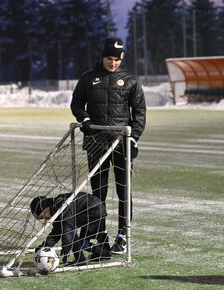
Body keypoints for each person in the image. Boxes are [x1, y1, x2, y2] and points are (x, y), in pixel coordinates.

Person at [71, 37, 146, 254]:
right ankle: (98, 233)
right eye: (109, 58)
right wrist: (84, 119)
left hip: (122, 145)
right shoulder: (88, 78)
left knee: (124, 191)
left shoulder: (130, 81)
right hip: (96, 143)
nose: (112, 63)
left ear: (121, 60)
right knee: (98, 193)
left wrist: (134, 138)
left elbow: (139, 112)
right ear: (103, 57)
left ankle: (123, 235)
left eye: (116, 59)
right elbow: (76, 104)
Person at [30, 192, 111, 266]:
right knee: (83, 243)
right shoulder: (56, 208)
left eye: (43, 215)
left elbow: (67, 228)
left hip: (93, 210)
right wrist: (44, 246)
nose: (45, 218)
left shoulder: (60, 206)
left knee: (70, 232)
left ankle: (80, 259)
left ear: (46, 208)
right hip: (95, 207)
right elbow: (57, 232)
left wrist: (66, 247)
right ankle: (104, 253)